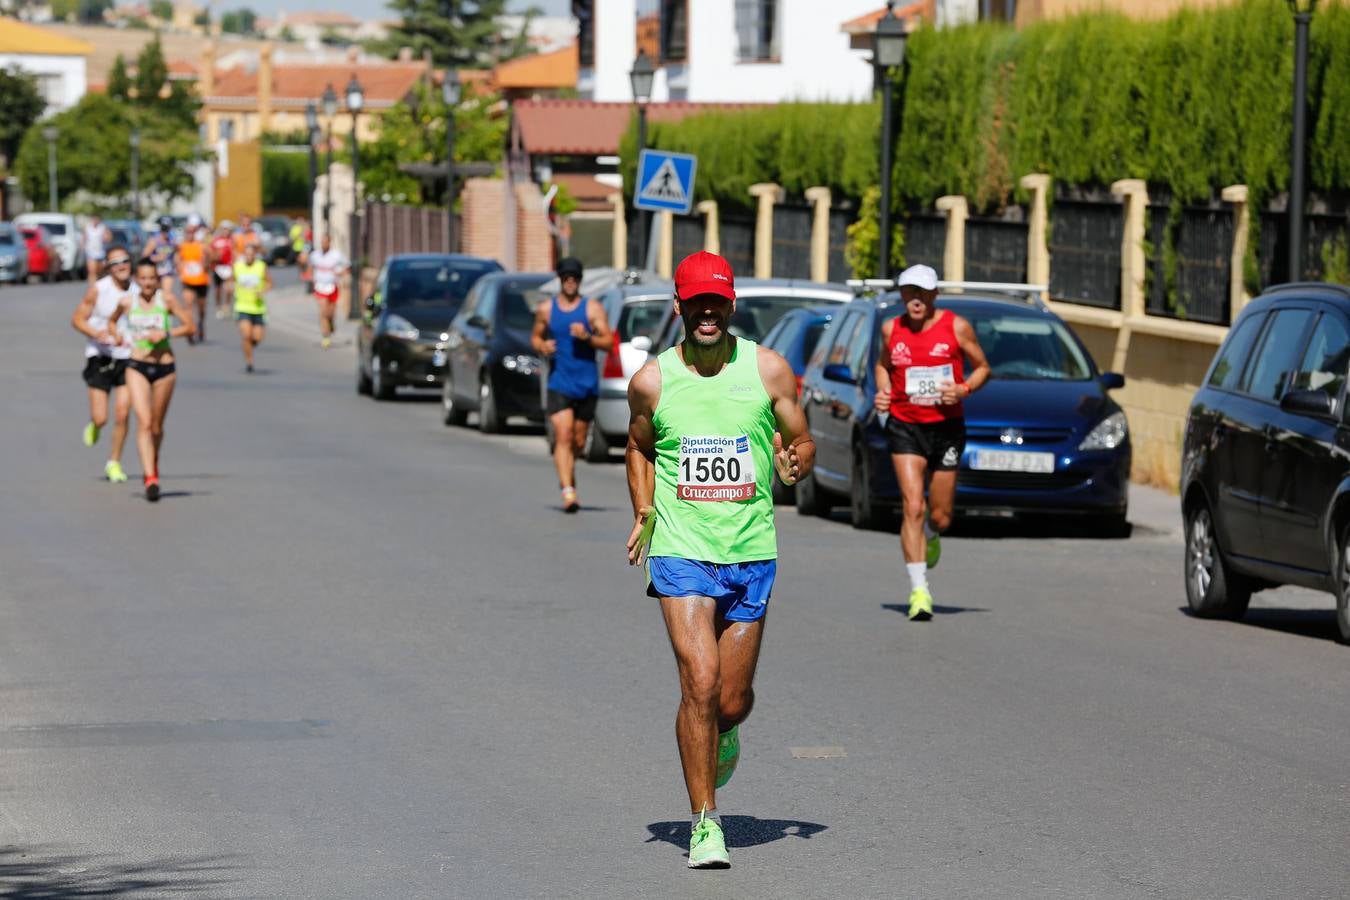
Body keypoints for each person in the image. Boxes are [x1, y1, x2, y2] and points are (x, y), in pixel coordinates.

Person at [624, 250, 814, 869]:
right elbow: (639, 446)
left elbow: (801, 438)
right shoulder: (653, 381)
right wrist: (645, 512)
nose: (708, 311)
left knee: (731, 699)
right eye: (696, 301)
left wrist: (797, 460)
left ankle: (724, 731)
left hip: (751, 550)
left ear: (731, 306)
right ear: (679, 307)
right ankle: (706, 822)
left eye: (718, 301)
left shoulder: (767, 370)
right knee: (699, 684)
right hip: (682, 549)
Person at [873, 264, 990, 621]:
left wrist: (964, 388)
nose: (916, 299)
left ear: (935, 295)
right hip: (905, 425)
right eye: (909, 292)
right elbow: (883, 365)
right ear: (903, 295)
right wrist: (884, 391)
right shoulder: (891, 328)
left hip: (947, 428)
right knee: (912, 506)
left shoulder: (956, 326)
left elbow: (983, 366)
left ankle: (932, 534)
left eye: (923, 292)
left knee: (939, 514)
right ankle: (919, 589)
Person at [105, 257, 196, 502]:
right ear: (136, 279)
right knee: (143, 422)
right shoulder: (127, 302)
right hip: (137, 366)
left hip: (164, 367)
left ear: (157, 280)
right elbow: (111, 323)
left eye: (151, 279)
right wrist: (116, 337)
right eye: (143, 278)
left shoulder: (166, 300)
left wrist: (165, 333)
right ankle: (150, 477)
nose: (147, 283)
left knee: (156, 426)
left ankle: (152, 462)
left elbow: (189, 326)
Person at [531, 256, 612, 512]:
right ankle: (568, 491)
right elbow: (535, 336)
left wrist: (588, 337)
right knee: (563, 435)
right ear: (560, 280)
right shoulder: (546, 309)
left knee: (577, 441)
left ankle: (568, 470)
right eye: (565, 278)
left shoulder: (592, 309)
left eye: (574, 278)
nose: (570, 282)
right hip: (560, 382)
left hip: (586, 383)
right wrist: (542, 346)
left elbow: (608, 342)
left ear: (579, 281)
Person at [70, 245, 135, 483]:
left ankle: (114, 462)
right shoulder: (98, 290)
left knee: (122, 413)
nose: (121, 266)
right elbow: (77, 319)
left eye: (124, 260)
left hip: (128, 358)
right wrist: (96, 333)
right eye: (115, 263)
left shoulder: (139, 289)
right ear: (108, 267)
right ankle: (95, 424)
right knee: (102, 417)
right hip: (100, 356)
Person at [232, 241, 271, 373]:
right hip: (242, 306)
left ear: (255, 255)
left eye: (251, 254)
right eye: (246, 254)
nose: (249, 257)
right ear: (244, 255)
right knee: (246, 335)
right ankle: (249, 362)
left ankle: (249, 346)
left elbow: (269, 283)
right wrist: (229, 287)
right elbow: (230, 281)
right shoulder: (237, 266)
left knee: (257, 338)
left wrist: (263, 290)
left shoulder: (261, 266)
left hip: (258, 307)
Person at [307, 232, 348, 349]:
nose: (323, 244)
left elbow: (346, 266)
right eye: (322, 242)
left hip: (332, 286)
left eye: (326, 242)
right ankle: (325, 336)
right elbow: (310, 266)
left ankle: (331, 323)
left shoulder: (336, 255)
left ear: (329, 242)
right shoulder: (315, 255)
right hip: (320, 287)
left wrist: (341, 273)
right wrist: (311, 278)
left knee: (331, 313)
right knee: (323, 311)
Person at [178, 225, 211, 343]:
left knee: (201, 308)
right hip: (188, 280)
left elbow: (211, 259)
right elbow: (177, 260)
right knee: (188, 305)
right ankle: (190, 329)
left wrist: (206, 262)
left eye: (192, 232)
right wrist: (180, 267)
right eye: (188, 232)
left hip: (201, 280)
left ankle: (201, 324)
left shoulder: (202, 246)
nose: (190, 234)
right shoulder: (181, 246)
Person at [143, 216, 178, 294]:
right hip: (155, 273)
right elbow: (144, 257)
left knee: (167, 293)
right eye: (163, 229)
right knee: (156, 294)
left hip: (168, 272)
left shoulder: (172, 241)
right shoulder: (154, 241)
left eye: (167, 229)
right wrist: (156, 258)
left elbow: (175, 255)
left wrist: (177, 263)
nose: (165, 232)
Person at [209, 222, 234, 320]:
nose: (226, 231)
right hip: (218, 267)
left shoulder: (232, 240)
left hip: (228, 267)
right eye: (224, 229)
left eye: (228, 229)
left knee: (228, 288)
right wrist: (215, 257)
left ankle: (226, 306)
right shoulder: (216, 241)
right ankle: (218, 306)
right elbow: (211, 253)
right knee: (218, 289)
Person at [83, 214, 111, 283]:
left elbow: (109, 237)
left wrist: (106, 238)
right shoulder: (88, 227)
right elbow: (84, 237)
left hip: (100, 252)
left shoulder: (103, 227)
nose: (95, 221)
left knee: (100, 271)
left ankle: (99, 283)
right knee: (92, 271)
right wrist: (83, 245)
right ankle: (92, 287)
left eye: (97, 219)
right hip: (91, 251)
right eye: (94, 219)